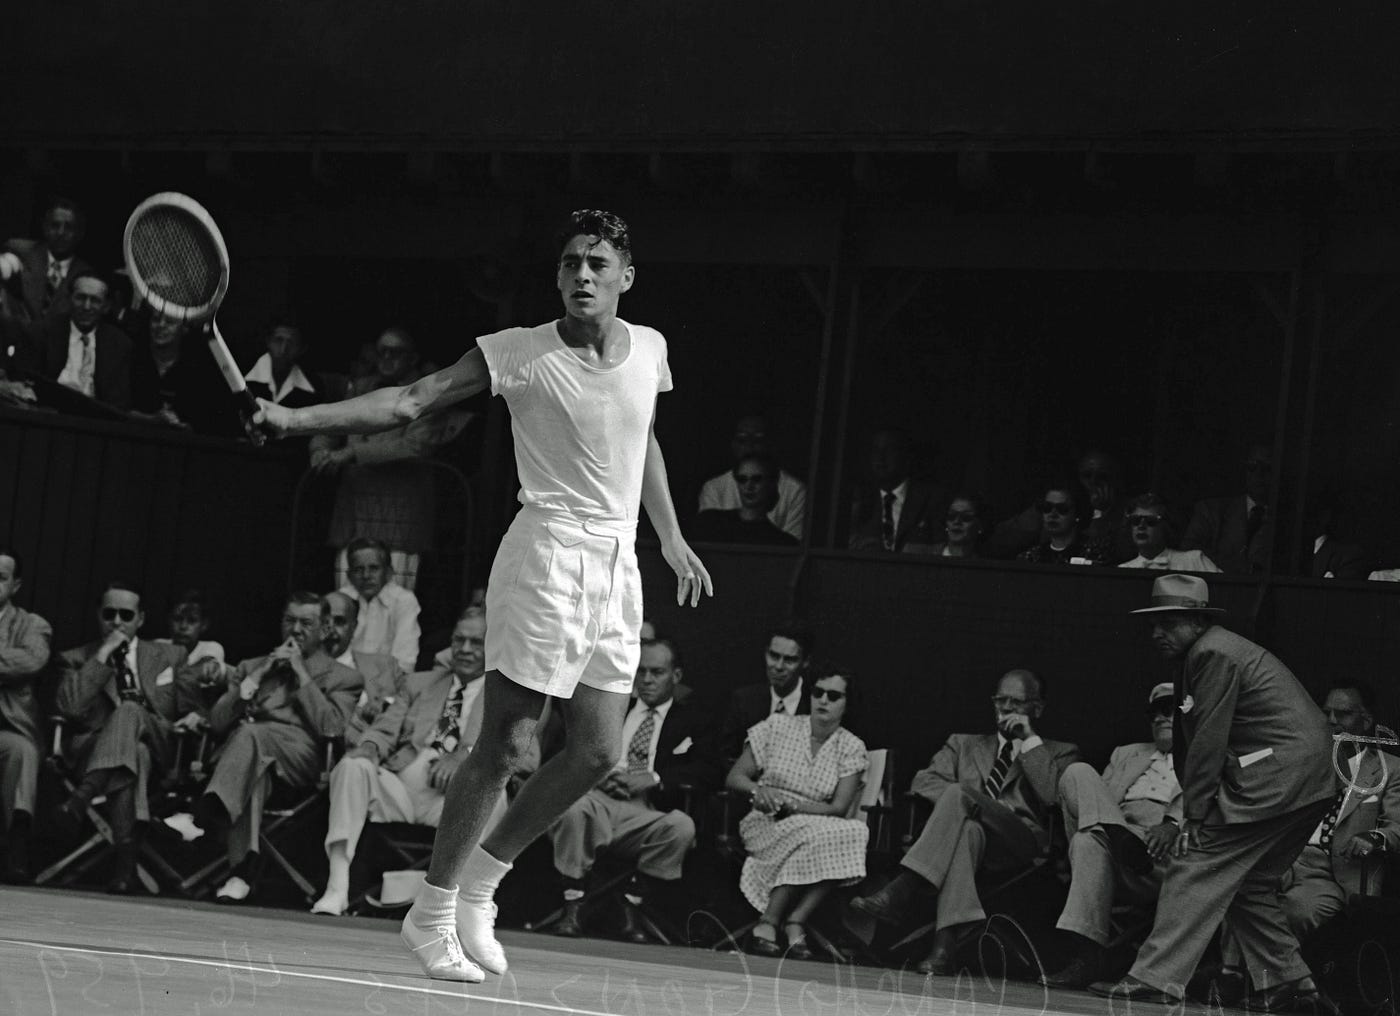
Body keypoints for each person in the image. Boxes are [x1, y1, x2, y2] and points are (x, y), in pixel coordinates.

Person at [254, 208, 712, 982]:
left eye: (598, 264)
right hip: (545, 556)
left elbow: (645, 439)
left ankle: (481, 886)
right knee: (507, 743)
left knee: (597, 750)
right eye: (570, 264)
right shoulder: (517, 353)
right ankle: (430, 913)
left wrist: (666, 535)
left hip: (617, 564)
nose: (582, 277)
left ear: (626, 277)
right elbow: (410, 402)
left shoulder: (651, 351)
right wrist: (293, 417)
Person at [1090, 574, 1335, 1010]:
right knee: (1251, 884)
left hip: (1274, 778)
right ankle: (1290, 983)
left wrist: (1197, 816)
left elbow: (1207, 741)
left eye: (1168, 622)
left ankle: (1154, 978)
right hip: (1305, 782)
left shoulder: (1212, 652)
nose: (1156, 633)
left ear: (1197, 620)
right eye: (1154, 623)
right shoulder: (1213, 649)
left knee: (1194, 865)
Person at [312, 606, 540, 917]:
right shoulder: (421, 683)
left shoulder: (508, 695)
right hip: (402, 791)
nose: (466, 650)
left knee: (493, 789)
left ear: (493, 646)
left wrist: (468, 755)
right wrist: (368, 746)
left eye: (476, 642)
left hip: (457, 803)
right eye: (459, 641)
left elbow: (528, 756)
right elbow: (386, 727)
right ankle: (337, 887)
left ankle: (463, 905)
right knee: (353, 766)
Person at [848, 669, 1079, 975]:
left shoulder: (1061, 752)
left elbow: (1054, 796)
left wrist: (1029, 740)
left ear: (1037, 708)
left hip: (1021, 842)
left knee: (960, 795)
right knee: (967, 827)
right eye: (1001, 701)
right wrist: (970, 806)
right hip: (973, 840)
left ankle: (904, 886)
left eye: (1017, 703)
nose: (1007, 709)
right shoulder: (963, 744)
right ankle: (943, 949)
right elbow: (923, 782)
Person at [547, 637, 719, 942]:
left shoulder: (694, 719)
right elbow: (571, 748)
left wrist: (654, 778)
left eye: (657, 672)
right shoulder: (612, 706)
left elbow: (710, 769)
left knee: (682, 826)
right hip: (596, 798)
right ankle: (571, 906)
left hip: (646, 809)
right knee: (572, 809)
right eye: (641, 672)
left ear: (676, 676)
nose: (647, 680)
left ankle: (631, 905)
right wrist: (597, 773)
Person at [197, 592, 363, 904]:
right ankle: (240, 872)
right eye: (290, 620)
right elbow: (218, 721)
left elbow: (332, 728)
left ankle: (207, 814)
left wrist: (300, 673)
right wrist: (259, 675)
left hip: (302, 759)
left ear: (325, 628)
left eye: (306, 623)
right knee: (254, 765)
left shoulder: (345, 677)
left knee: (251, 735)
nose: (296, 629)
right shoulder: (251, 666)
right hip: (250, 760)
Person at [52, 581, 198, 893]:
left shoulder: (171, 655)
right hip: (96, 749)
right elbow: (70, 707)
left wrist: (195, 715)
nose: (117, 622)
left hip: (161, 746)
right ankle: (125, 867)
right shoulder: (76, 658)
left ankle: (82, 797)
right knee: (135, 757)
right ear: (98, 616)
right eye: (109, 614)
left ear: (141, 619)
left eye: (126, 615)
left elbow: (190, 706)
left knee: (131, 711)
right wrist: (103, 654)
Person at [1040, 683, 1183, 988]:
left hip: (1164, 856)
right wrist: (1116, 829)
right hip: (1119, 841)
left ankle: (1087, 955)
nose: (1160, 718)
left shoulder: (1204, 757)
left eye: (1169, 710)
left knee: (1087, 839)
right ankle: (1118, 836)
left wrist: (1173, 825)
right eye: (1154, 712)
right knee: (1077, 773)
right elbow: (1093, 799)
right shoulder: (1127, 754)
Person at [313, 326, 474, 592]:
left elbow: (414, 445)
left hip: (399, 515)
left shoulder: (428, 393)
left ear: (412, 358)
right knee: (346, 601)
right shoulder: (361, 388)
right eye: (382, 351)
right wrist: (319, 448)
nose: (387, 358)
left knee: (394, 602)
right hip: (354, 511)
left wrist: (353, 453)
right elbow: (332, 424)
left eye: (396, 352)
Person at [726, 666, 868, 959]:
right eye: (818, 693)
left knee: (855, 830)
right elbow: (735, 777)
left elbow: (839, 807)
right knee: (821, 834)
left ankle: (789, 919)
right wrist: (758, 791)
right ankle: (783, 923)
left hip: (816, 822)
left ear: (846, 703)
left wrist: (794, 807)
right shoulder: (778, 726)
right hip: (766, 821)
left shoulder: (852, 746)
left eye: (833, 695)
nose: (823, 701)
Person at [0, 549, 50, 883]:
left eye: (1, 577)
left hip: (7, 728)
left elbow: (32, 659)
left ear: (15, 585)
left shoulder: (32, 623)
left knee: (22, 752)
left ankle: (14, 849)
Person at [20, 270, 133, 410]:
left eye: (95, 300)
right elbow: (29, 385)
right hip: (48, 416)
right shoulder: (42, 333)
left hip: (96, 423)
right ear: (69, 299)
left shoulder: (119, 344)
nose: (86, 306)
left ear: (106, 306)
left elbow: (119, 403)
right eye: (80, 298)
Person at [697, 414, 807, 539]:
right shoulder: (714, 487)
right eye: (743, 440)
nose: (750, 446)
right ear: (733, 444)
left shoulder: (795, 489)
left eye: (758, 440)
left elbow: (790, 546)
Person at [321, 590, 405, 747]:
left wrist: (385, 703)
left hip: (378, 751)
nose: (330, 629)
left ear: (354, 626)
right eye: (324, 622)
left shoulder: (385, 665)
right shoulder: (300, 668)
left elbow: (410, 699)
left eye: (339, 622)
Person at [719, 626, 813, 763]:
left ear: (806, 662)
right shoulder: (744, 700)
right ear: (765, 654)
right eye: (774, 656)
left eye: (789, 660)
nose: (779, 666)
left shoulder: (816, 704)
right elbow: (726, 757)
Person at [1182, 443, 1276, 574]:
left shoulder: (1287, 522)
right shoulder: (1211, 511)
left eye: (1267, 468)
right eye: (1252, 466)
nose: (1259, 474)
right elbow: (1189, 552)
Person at [848, 428, 945, 553]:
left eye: (889, 450)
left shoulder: (931, 498)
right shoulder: (861, 499)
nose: (880, 457)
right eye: (875, 450)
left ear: (905, 454)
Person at [0, 197, 92, 325]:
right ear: (44, 227)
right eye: (55, 225)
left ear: (79, 234)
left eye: (69, 227)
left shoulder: (85, 275)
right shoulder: (21, 252)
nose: (61, 232)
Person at [339, 537, 422, 674]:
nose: (366, 575)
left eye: (374, 568)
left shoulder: (403, 601)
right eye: (358, 569)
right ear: (349, 575)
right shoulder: (341, 600)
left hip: (387, 683)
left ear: (388, 572)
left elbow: (404, 661)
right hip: (344, 681)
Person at [690, 452, 799, 547]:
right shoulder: (709, 521)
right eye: (742, 479)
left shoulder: (782, 542)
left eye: (757, 479)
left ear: (771, 483)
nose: (749, 486)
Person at [1117, 493, 1220, 571]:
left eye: (1151, 521)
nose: (1141, 526)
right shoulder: (1123, 570)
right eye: (1136, 520)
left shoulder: (1194, 560)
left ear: (1165, 526)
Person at [244, 320, 325, 409]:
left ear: (301, 349)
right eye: (278, 340)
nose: (283, 350)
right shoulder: (242, 375)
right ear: (268, 341)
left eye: (291, 343)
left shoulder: (314, 386)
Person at [1018, 483, 1101, 565]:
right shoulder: (1030, 558)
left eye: (1062, 509)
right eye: (1047, 507)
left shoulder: (1094, 554)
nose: (1053, 514)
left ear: (1078, 513)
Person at [926, 493, 992, 558]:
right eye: (952, 516)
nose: (957, 521)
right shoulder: (922, 555)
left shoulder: (987, 562)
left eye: (966, 517)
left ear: (980, 525)